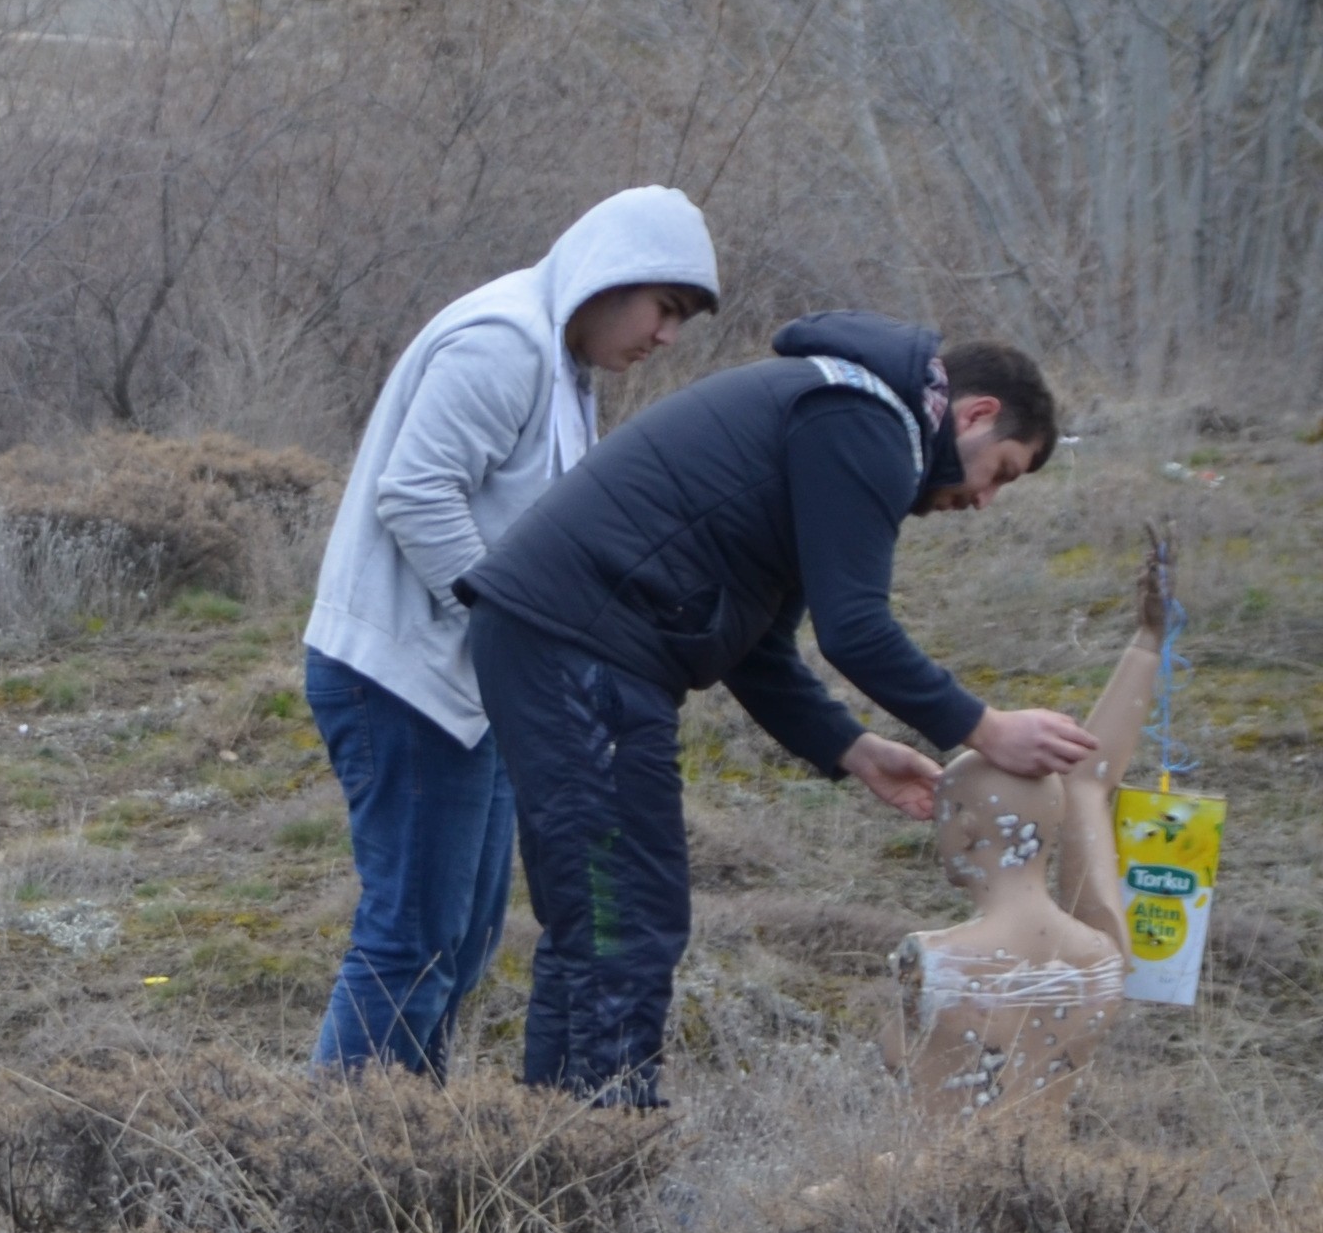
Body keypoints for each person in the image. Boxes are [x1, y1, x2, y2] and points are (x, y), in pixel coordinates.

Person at [459, 314, 1088, 1106]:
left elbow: (757, 648)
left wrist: (851, 748)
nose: (985, 500)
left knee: (608, 917)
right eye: (999, 470)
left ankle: (556, 1144)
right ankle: (599, 1153)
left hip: (569, 643)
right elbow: (857, 631)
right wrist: (986, 727)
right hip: (580, 646)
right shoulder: (865, 422)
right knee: (624, 919)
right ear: (974, 414)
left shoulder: (843, 414)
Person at [298, 187, 722, 1075]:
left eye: (682, 320)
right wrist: (507, 628)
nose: (667, 336)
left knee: (463, 938)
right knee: (411, 939)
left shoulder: (563, 366)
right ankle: (332, 1171)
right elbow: (416, 493)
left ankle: (410, 1155)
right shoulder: (506, 343)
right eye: (666, 309)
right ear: (613, 276)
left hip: (475, 688)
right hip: (403, 679)